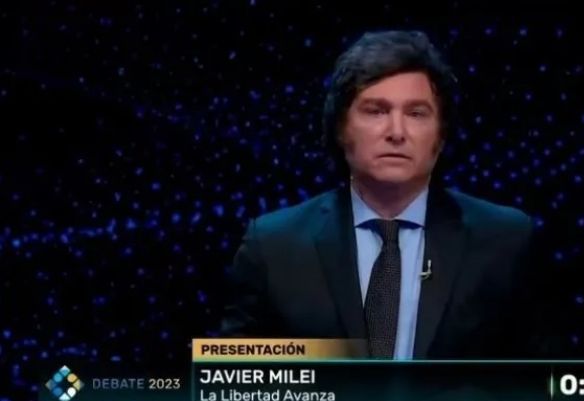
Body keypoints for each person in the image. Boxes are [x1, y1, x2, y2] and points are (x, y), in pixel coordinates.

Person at [221, 30, 538, 359]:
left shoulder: (504, 240)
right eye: (376, 111)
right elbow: (233, 378)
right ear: (341, 128)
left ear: (440, 136)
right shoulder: (273, 246)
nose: (396, 132)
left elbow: (544, 380)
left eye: (416, 114)